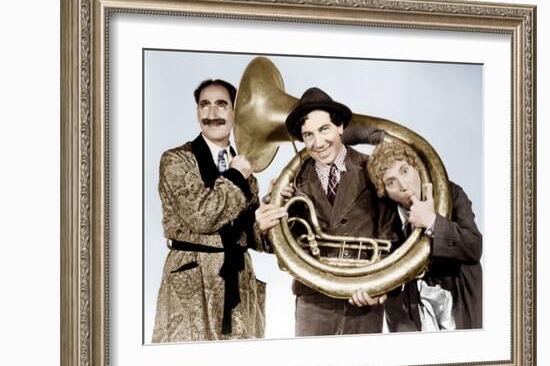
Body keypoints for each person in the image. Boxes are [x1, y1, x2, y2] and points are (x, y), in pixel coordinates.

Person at [256, 87, 397, 337]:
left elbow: (391, 236)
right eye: (308, 135)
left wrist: (383, 286)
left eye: (324, 130)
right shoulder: (292, 182)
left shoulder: (372, 168)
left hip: (363, 298)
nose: (318, 143)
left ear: (340, 126)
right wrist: (268, 226)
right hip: (313, 302)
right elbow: (282, 248)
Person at [152, 79, 266, 343]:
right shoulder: (176, 160)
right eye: (205, 105)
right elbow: (201, 216)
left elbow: (250, 235)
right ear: (197, 112)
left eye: (221, 105)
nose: (212, 114)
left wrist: (270, 221)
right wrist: (238, 175)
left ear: (236, 112)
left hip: (238, 282)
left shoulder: (244, 168)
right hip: (193, 281)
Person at [367, 141, 483, 331]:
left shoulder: (452, 194)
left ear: (416, 166)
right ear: (384, 191)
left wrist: (432, 221)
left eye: (404, 171)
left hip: (458, 308)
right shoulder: (384, 217)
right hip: (412, 315)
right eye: (391, 182)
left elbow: (474, 247)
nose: (403, 185)